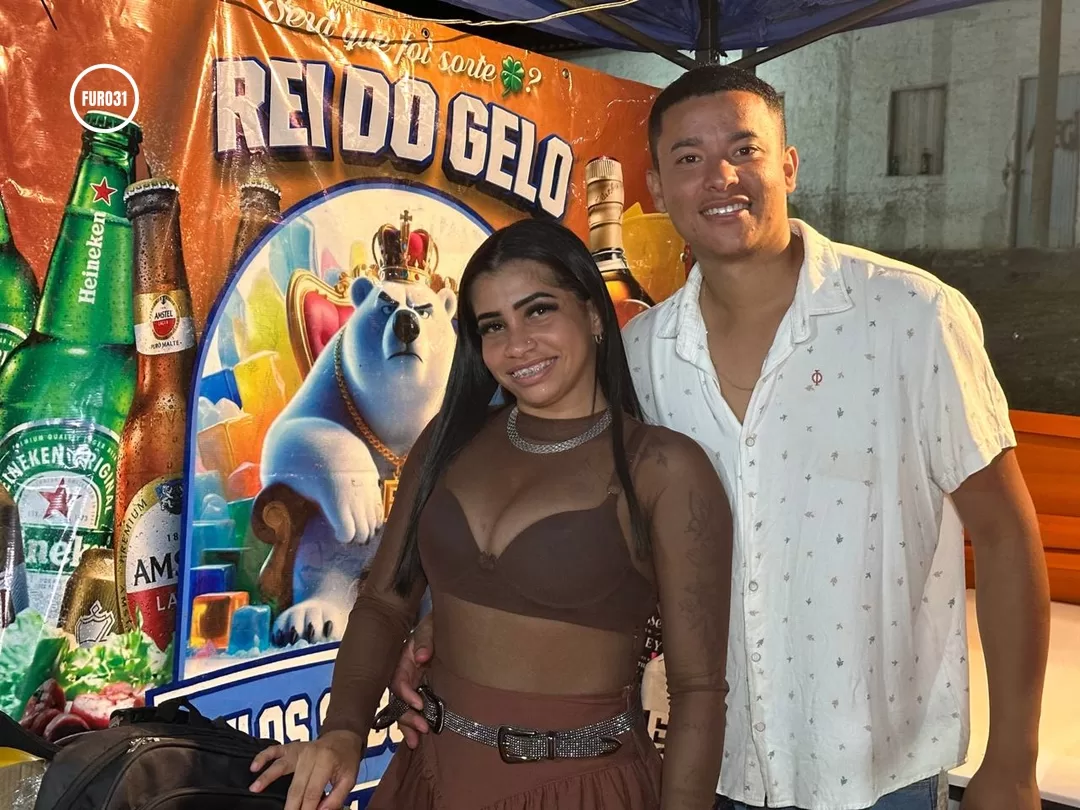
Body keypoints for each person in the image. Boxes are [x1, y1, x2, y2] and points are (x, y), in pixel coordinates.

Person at [388, 65, 1051, 810]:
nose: (721, 177)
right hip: (714, 768)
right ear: (657, 186)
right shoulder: (641, 355)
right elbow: (587, 524)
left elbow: (1004, 534)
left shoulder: (912, 317)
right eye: (690, 158)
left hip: (878, 771)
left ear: (788, 165)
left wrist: (1013, 762)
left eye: (744, 150)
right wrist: (458, 621)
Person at [247, 218, 734, 810]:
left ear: (593, 313)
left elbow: (698, 690)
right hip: (426, 779)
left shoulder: (665, 468)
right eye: (493, 326)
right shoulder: (447, 441)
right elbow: (384, 601)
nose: (516, 344)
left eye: (538, 311)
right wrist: (344, 732)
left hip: (582, 793)